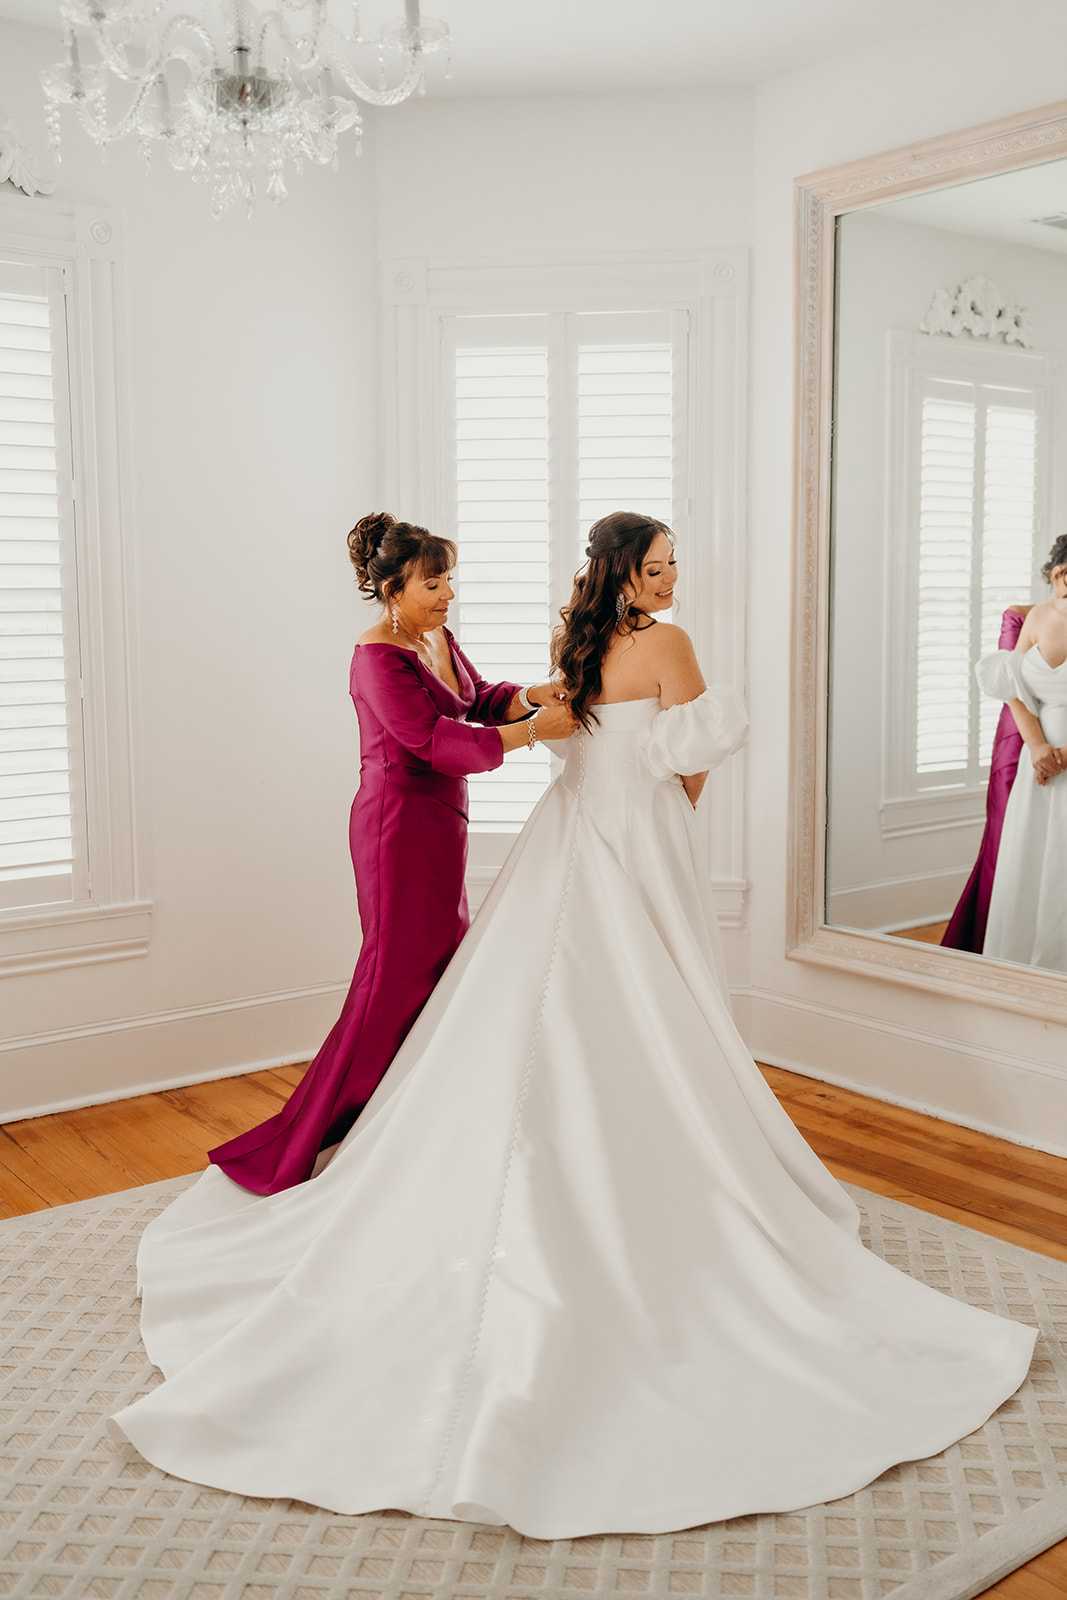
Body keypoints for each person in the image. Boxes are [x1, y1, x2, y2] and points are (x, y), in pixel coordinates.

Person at [110, 511, 1034, 1539]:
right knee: (633, 998)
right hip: (614, 836)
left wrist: (562, 722)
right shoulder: (655, 645)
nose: (674, 576)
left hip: (564, 839)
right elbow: (677, 752)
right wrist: (653, 769)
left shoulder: (573, 640)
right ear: (627, 576)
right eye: (660, 564)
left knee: (515, 1005)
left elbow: (524, 708)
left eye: (674, 561)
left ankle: (366, 1146)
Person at [209, 511, 577, 1194]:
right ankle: (321, 1130)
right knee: (390, 983)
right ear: (392, 589)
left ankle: (402, 1114)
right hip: (395, 830)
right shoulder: (375, 656)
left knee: (436, 972)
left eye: (448, 580)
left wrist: (531, 696)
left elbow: (478, 699)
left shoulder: (434, 637)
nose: (446, 594)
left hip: (439, 825)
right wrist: (533, 734)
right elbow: (433, 742)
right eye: (432, 582)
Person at [978, 534, 1067, 970]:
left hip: (1060, 755)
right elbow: (1013, 686)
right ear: (1058, 574)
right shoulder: (1034, 620)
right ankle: (1020, 968)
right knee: (1033, 853)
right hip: (1042, 760)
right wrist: (1037, 747)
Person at [941, 604, 1029, 953]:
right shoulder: (1020, 616)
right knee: (1005, 839)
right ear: (1059, 573)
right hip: (1017, 738)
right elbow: (1009, 685)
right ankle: (987, 939)